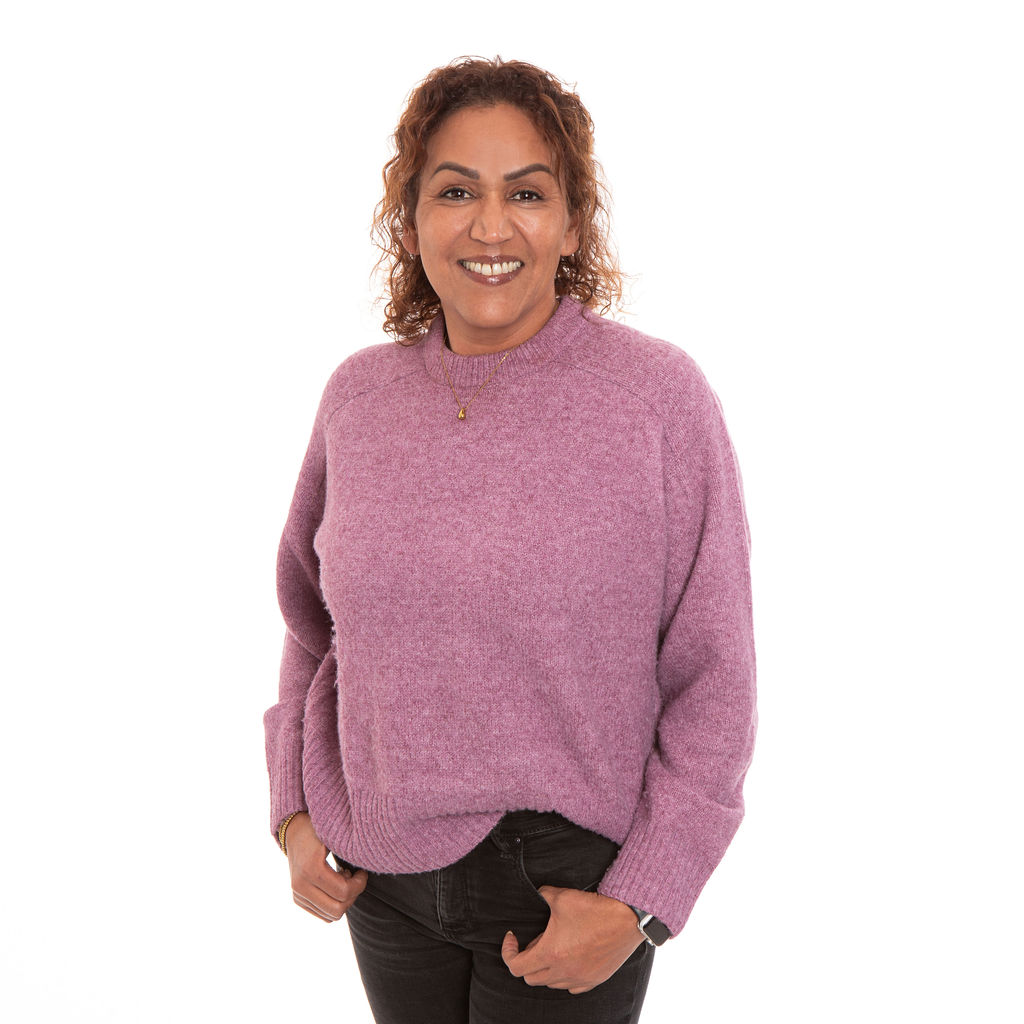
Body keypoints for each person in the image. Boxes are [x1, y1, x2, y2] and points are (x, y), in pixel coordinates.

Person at [263, 56, 757, 1024]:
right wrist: (294, 809)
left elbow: (715, 677)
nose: (491, 226)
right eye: (456, 192)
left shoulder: (656, 400)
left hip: (568, 891)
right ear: (410, 221)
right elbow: (312, 624)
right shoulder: (358, 398)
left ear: (572, 224)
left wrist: (642, 902)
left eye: (527, 193)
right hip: (381, 880)